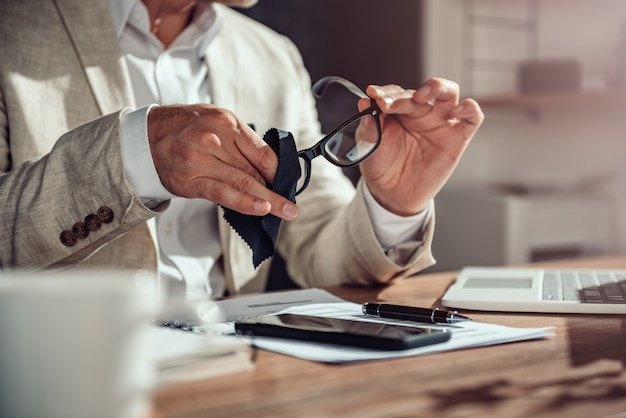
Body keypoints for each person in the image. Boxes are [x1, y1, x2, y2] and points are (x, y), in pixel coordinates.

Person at [0, 0, 484, 299]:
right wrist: (133, 157)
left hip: (234, 367)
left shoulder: (271, 54)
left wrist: (393, 205)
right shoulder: (13, 24)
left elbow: (313, 233)